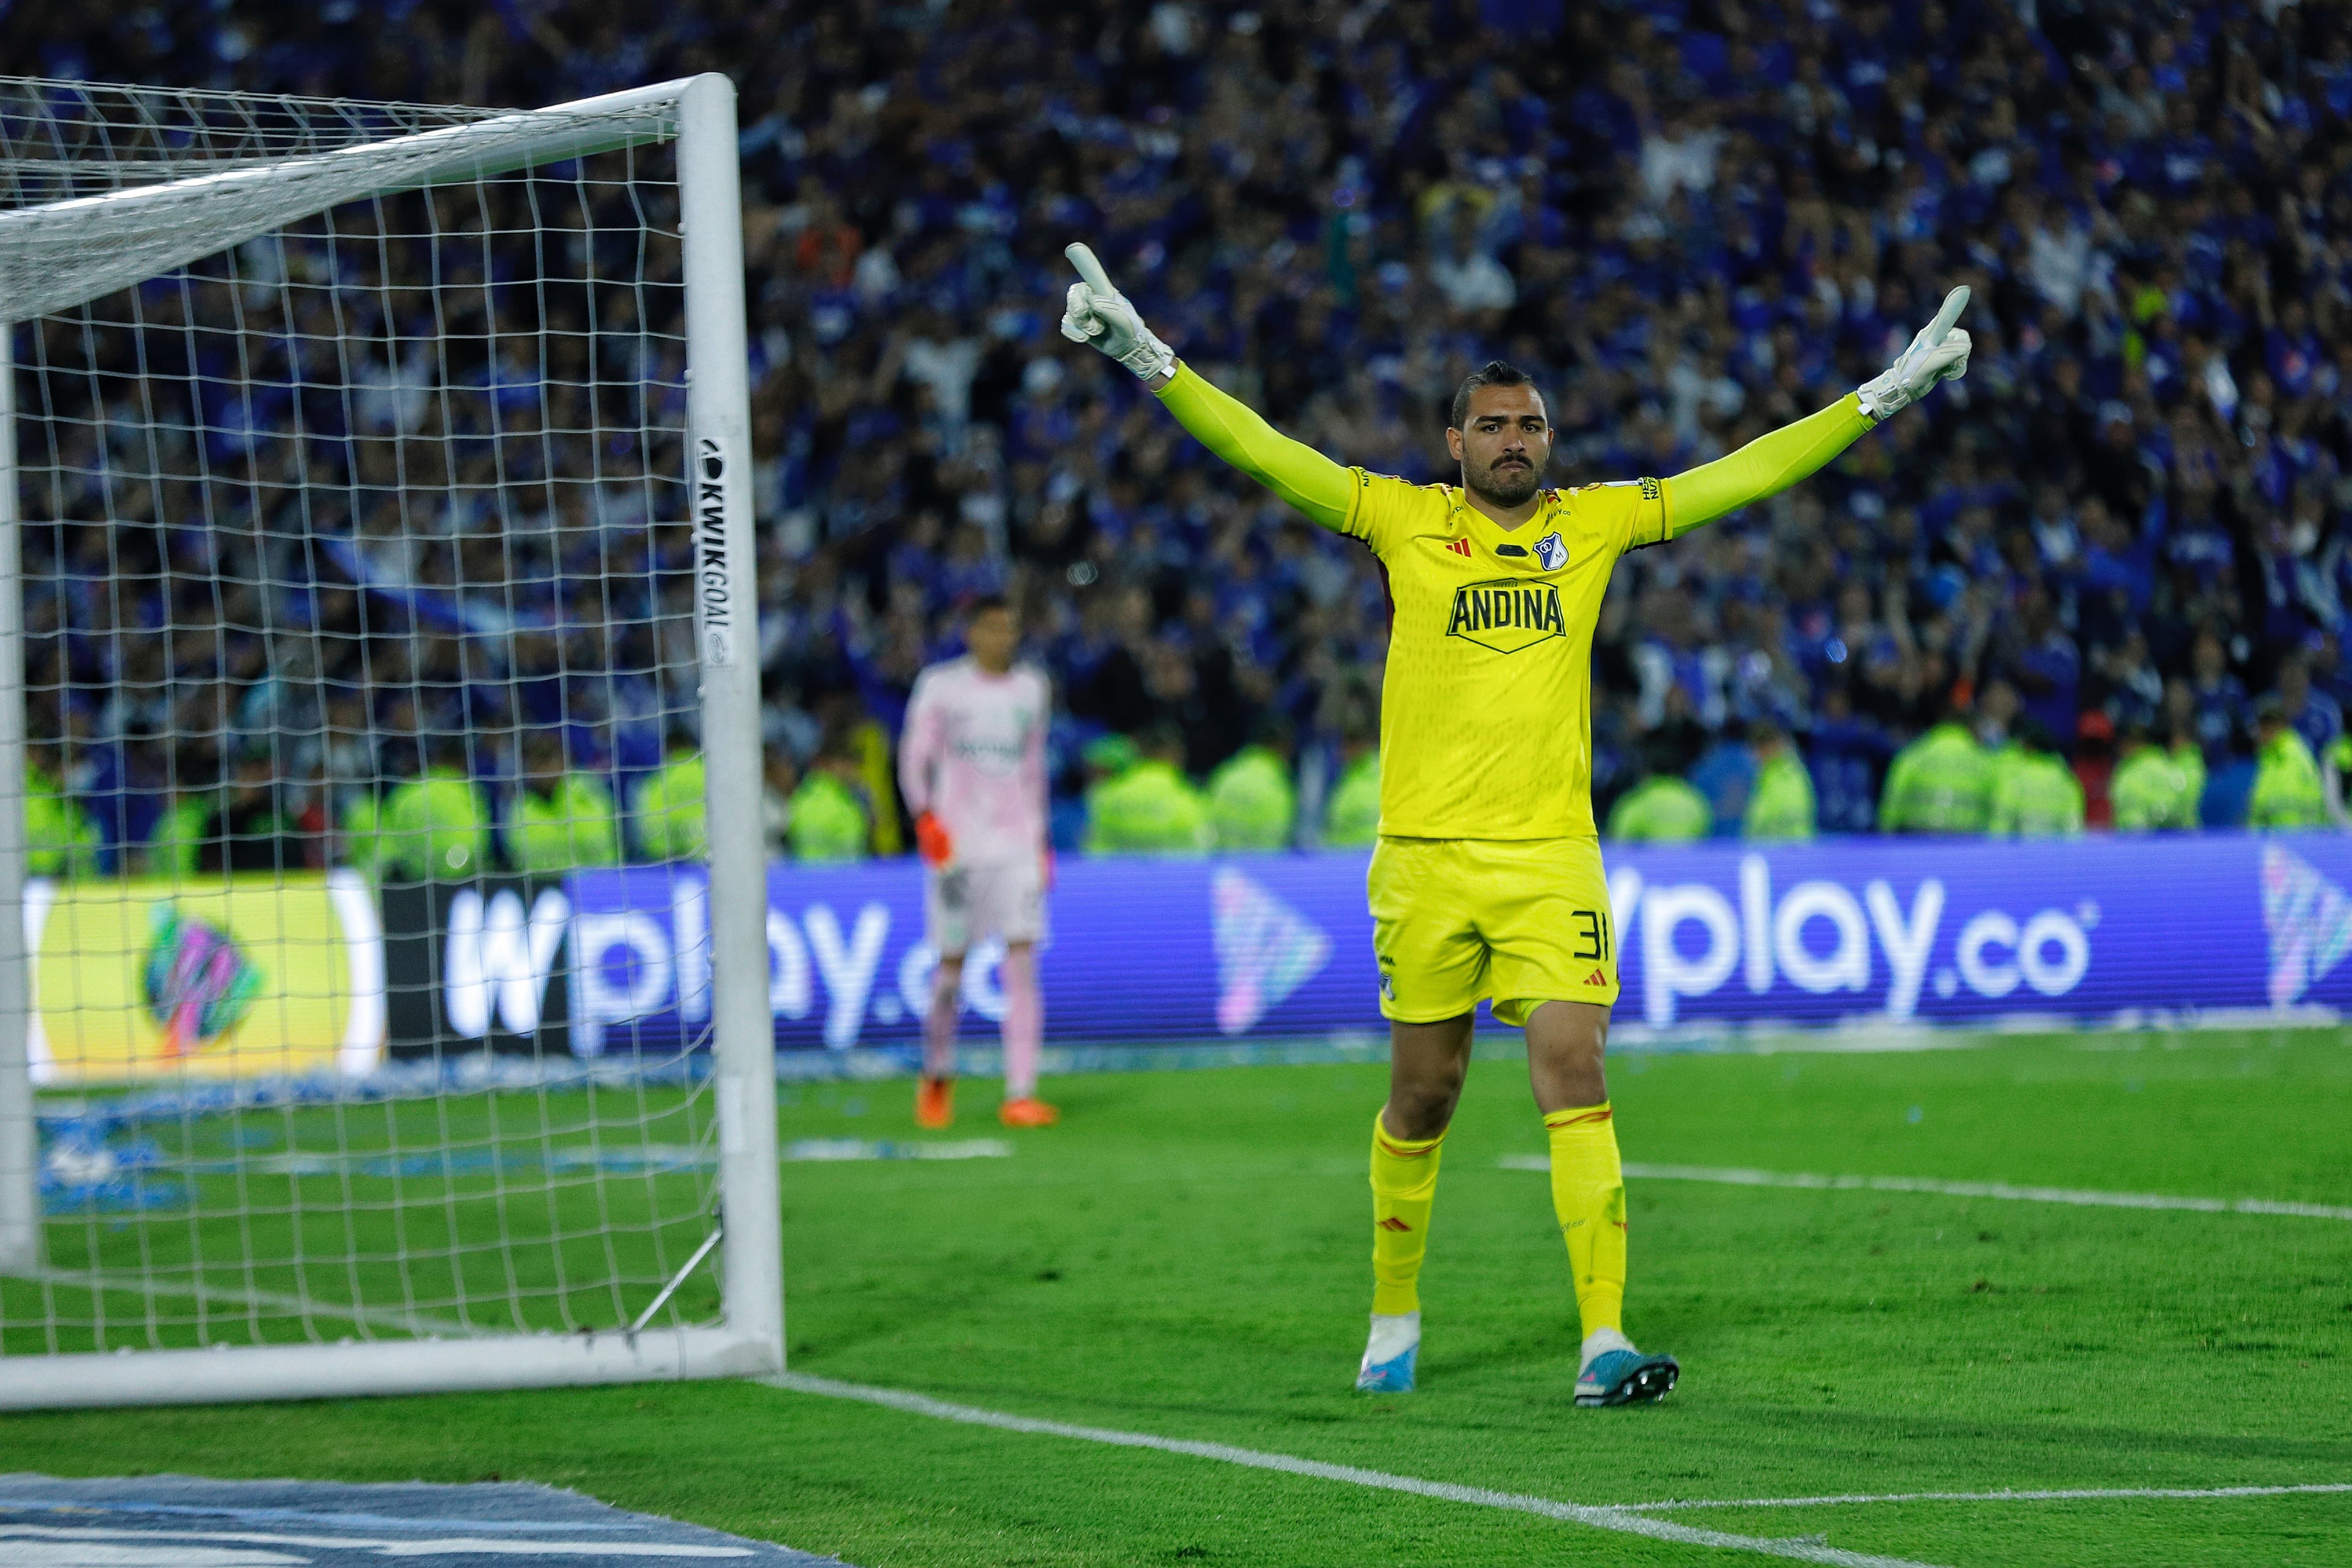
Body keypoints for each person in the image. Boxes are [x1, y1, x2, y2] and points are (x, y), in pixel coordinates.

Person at [1063, 244, 1969, 1405]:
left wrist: (1879, 396)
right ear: (1454, 443)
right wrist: (1148, 358)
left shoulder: (1592, 526)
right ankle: (1394, 1314)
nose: (1512, 441)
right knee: (1425, 1096)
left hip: (1551, 858)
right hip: (1425, 863)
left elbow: (1740, 476)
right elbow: (1263, 451)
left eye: (1529, 425)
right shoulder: (1399, 521)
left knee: (1573, 1063)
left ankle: (1602, 1342)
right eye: (1491, 425)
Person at [896, 594, 1057, 1130]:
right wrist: (925, 818)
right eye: (992, 628)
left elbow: (1033, 769)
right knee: (949, 971)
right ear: (971, 633)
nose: (1003, 638)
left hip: (1016, 846)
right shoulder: (941, 687)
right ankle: (938, 1072)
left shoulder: (1031, 689)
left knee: (1022, 964)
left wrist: (1042, 842)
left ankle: (1020, 1093)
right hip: (958, 847)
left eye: (1010, 628)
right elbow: (914, 757)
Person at [1878, 690, 1996, 834]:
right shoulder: (1986, 762)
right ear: (1970, 727)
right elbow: (1996, 812)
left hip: (1918, 842)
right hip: (1967, 845)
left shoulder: (1912, 755)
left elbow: (1891, 808)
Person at [1083, 725, 1213, 854]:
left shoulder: (1109, 794)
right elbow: (1201, 852)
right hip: (1171, 874)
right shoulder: (1187, 795)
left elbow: (1095, 850)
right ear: (1175, 755)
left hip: (1119, 873)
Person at [378, 734, 489, 881]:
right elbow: (479, 837)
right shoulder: (468, 792)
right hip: (457, 877)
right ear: (462, 762)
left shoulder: (405, 793)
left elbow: (389, 835)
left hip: (412, 878)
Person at [510, 730, 620, 874]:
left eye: (547, 759)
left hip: (596, 884)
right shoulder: (522, 805)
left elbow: (597, 843)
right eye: (534, 762)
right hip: (541, 887)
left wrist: (562, 799)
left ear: (565, 761)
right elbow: (521, 853)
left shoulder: (588, 795)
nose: (541, 769)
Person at [1207, 718, 1298, 852]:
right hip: (1261, 866)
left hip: (1224, 865)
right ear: (1282, 746)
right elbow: (1280, 836)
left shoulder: (1226, 773)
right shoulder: (1278, 783)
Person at [1986, 720, 2084, 838]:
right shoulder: (2067, 782)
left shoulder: (2015, 779)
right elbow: (2073, 831)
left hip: (2020, 854)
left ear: (2028, 746)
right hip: (2054, 854)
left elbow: (2000, 829)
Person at [787, 732, 874, 862]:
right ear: (827, 764)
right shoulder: (819, 801)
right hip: (830, 878)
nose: (853, 769)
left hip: (835, 877)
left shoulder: (847, 796)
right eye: (846, 763)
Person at [2109, 718, 2201, 832]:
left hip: (2138, 843)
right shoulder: (2171, 767)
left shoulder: (2129, 773)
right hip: (2180, 841)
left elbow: (2128, 816)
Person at [2248, 696, 2326, 829]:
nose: (2263, 731)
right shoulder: (2269, 758)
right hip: (2276, 841)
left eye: (2270, 724)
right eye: (2263, 724)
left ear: (2283, 725)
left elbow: (2296, 807)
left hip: (2294, 841)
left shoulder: (2291, 756)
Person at [632, 731, 707, 863]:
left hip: (667, 863)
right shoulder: (710, 776)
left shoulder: (656, 783)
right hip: (709, 859)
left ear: (666, 750)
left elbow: (646, 832)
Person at [1743, 718, 1817, 841]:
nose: (1756, 754)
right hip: (1767, 854)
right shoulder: (1766, 777)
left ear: (1774, 745)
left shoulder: (1789, 777)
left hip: (1785, 856)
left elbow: (1796, 827)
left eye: (1760, 746)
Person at [1603, 766, 1711, 842]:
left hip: (1648, 871)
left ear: (1646, 772)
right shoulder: (1695, 801)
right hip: (1689, 871)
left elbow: (1620, 841)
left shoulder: (1635, 802)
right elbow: (1707, 836)